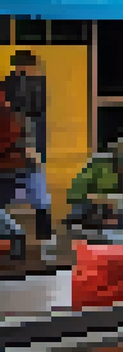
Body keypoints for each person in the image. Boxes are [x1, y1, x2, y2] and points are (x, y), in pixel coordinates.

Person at [3, 51, 49, 244]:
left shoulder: (28, 85)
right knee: (35, 186)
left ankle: (38, 231)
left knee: (37, 187)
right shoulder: (19, 86)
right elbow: (24, 118)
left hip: (22, 148)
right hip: (16, 151)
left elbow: (35, 114)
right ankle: (33, 232)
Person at [65, 138, 123, 242]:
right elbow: (90, 195)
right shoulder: (101, 167)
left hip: (104, 204)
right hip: (85, 204)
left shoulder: (121, 171)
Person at [0, 91, 33, 260]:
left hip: (7, 170)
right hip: (12, 170)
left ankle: (15, 234)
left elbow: (6, 144)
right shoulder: (12, 116)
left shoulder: (7, 117)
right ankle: (15, 235)